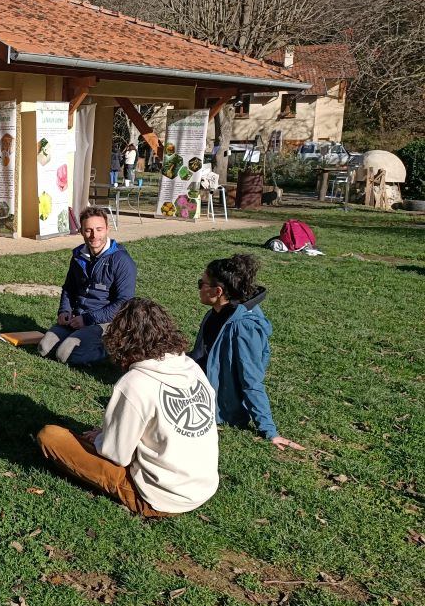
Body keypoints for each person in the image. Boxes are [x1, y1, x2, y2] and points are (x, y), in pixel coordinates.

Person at [38, 298, 219, 517]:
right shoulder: (191, 367)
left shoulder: (135, 383)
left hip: (161, 497)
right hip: (202, 486)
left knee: (51, 436)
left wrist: (100, 439)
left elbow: (117, 456)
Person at [190, 254, 305, 450]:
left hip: (219, 406)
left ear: (218, 291)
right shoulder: (215, 312)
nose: (199, 287)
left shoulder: (244, 327)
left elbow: (251, 379)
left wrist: (269, 430)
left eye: (202, 283)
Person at [38, 206, 137, 365]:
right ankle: (74, 338)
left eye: (99, 229)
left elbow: (124, 303)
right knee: (44, 348)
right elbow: (69, 288)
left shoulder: (121, 260)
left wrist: (88, 319)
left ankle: (112, 346)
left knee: (64, 354)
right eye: (88, 230)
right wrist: (65, 310)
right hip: (77, 317)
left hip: (104, 321)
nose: (94, 235)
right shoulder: (78, 255)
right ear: (81, 231)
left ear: (107, 229)